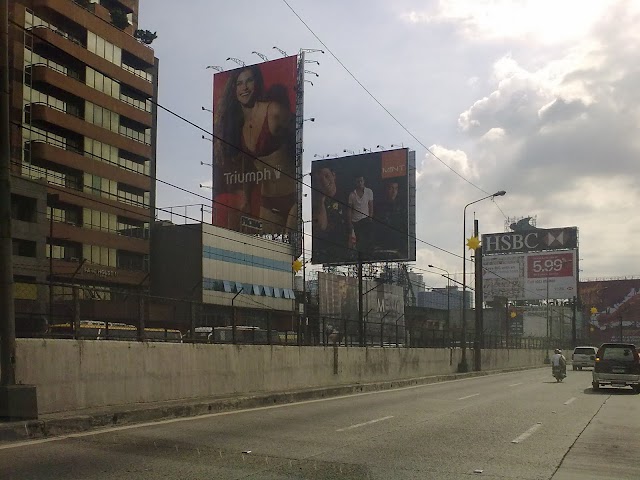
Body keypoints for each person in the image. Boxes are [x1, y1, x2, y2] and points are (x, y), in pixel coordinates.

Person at [213, 65, 296, 234]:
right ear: (234, 90)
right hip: (267, 203)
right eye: (239, 83)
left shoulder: (273, 111)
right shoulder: (239, 127)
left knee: (291, 253)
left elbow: (298, 140)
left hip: (292, 199)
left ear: (257, 83)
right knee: (268, 255)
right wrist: (246, 197)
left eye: (249, 81)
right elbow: (247, 164)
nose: (244, 88)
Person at [311, 166, 351, 263]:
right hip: (328, 251)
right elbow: (321, 226)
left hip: (349, 250)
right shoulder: (317, 202)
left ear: (334, 175)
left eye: (326, 176)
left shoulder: (347, 194)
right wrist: (321, 202)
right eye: (320, 180)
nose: (324, 182)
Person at [375, 180, 407, 255]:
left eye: (396, 188)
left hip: (398, 245)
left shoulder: (401, 207)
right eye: (391, 188)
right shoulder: (380, 206)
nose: (393, 191)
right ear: (387, 189)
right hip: (382, 244)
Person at [347, 175, 374, 260]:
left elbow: (371, 206)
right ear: (356, 183)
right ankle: (358, 257)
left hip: (366, 219)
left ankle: (367, 256)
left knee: (367, 239)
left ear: (364, 181)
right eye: (358, 181)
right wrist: (350, 222)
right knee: (358, 240)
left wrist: (370, 217)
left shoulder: (369, 191)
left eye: (361, 181)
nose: (360, 183)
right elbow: (349, 209)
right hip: (355, 221)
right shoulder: (352, 195)